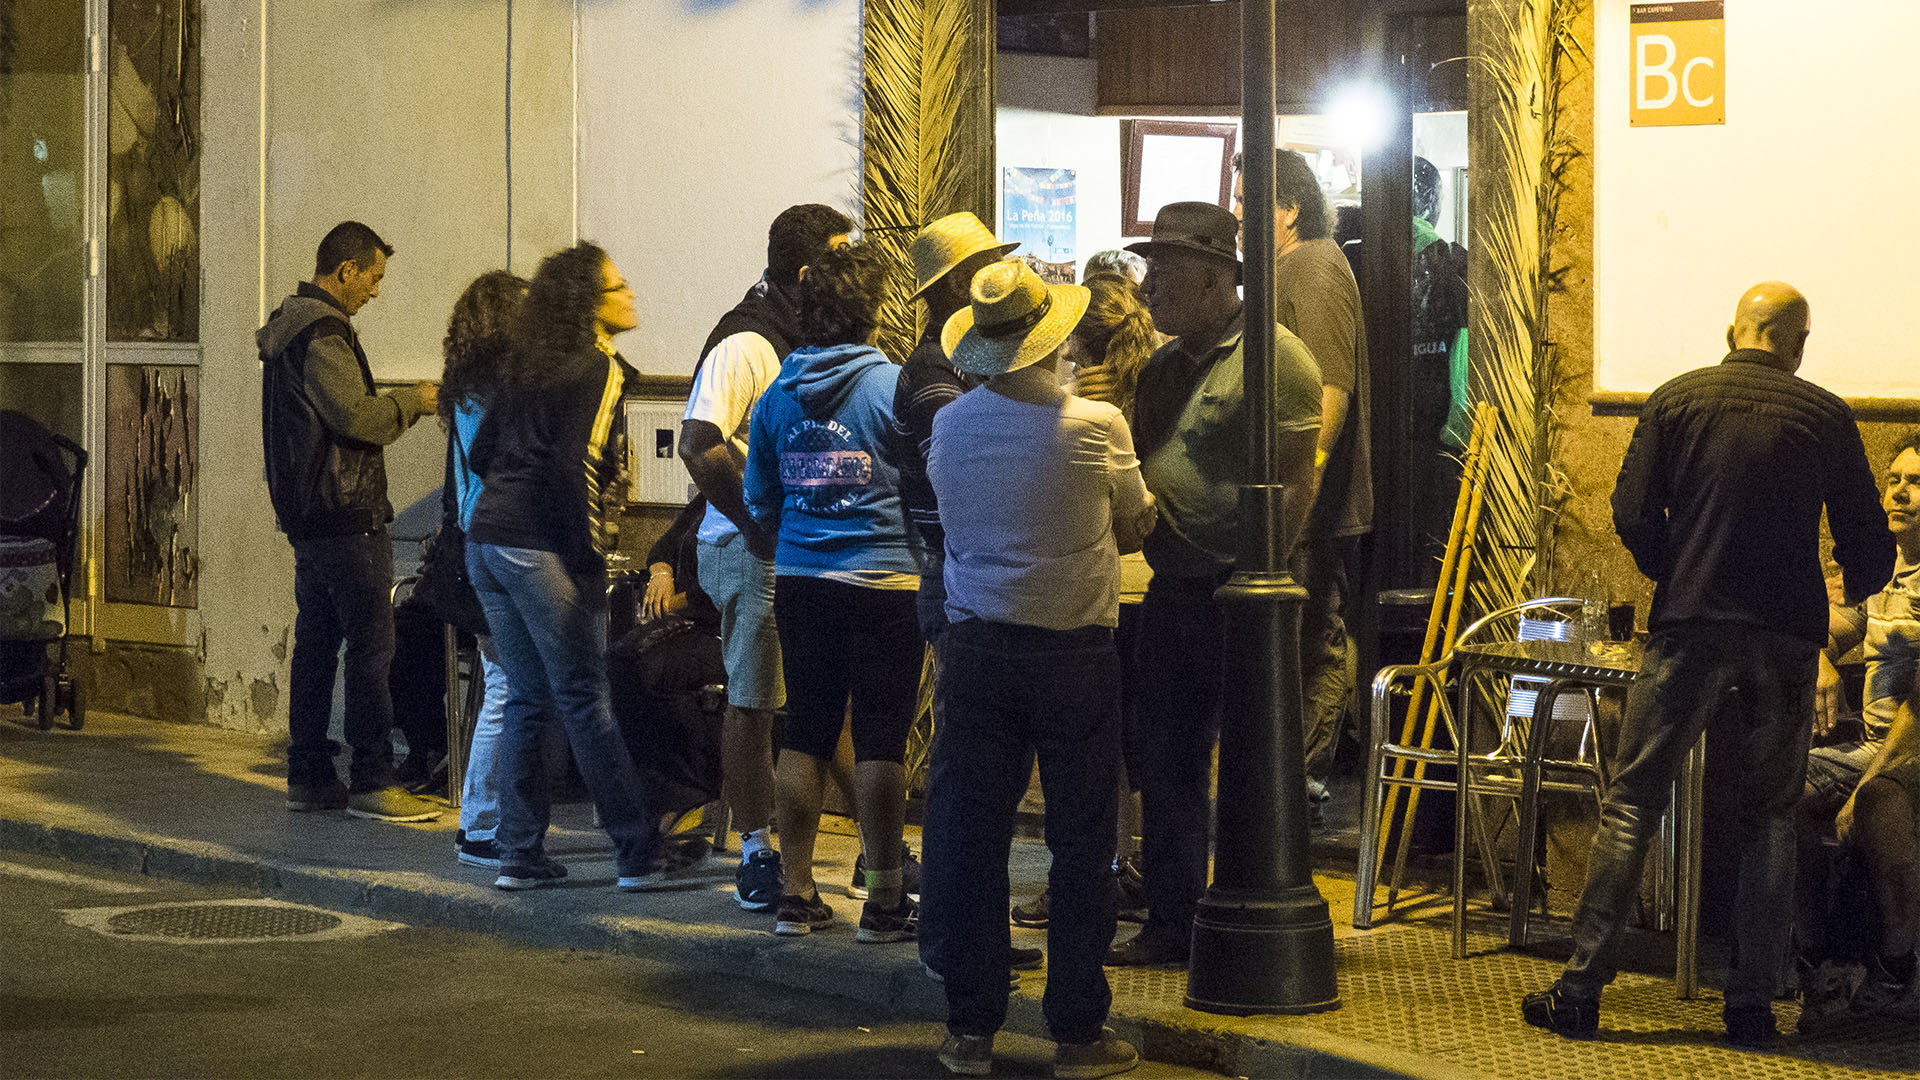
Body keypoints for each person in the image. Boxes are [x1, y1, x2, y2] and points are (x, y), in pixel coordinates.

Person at [1522, 282, 1895, 1047]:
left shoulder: (1674, 400)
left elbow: (1629, 512)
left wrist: (1676, 566)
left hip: (1691, 624)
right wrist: (1846, 589)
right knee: (1769, 820)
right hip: (1787, 637)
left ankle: (1581, 992)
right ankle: (1751, 1009)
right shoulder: (1824, 414)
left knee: (1632, 805)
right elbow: (1868, 537)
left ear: (1733, 331)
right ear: (1797, 343)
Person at [922, 259, 1153, 1079]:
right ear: (1051, 339)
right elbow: (1137, 523)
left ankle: (970, 1027)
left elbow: (952, 525)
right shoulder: (1099, 425)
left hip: (978, 647)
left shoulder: (950, 427)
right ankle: (1077, 1032)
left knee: (970, 837)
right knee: (1081, 843)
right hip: (1075, 653)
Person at [1104, 202, 1324, 967]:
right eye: (1148, 268)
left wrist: (1258, 574)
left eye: (1163, 271)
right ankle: (1172, 920)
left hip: (1244, 594)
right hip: (1172, 589)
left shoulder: (1277, 358)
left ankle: (1253, 912)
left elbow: (1300, 480)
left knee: (1254, 762)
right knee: (1165, 759)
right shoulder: (1161, 368)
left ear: (1213, 277)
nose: (1148, 285)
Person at [466, 242, 693, 892]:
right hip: (540, 547)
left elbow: (483, 454)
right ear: (589, 306)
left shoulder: (522, 364)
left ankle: (519, 854)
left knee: (529, 700)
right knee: (585, 700)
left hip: (490, 540)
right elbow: (577, 465)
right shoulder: (600, 368)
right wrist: (589, 558)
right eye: (617, 287)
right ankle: (637, 852)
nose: (630, 296)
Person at [743, 241, 923, 942]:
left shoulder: (777, 396)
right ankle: (881, 901)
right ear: (872, 311)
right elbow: (923, 483)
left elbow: (760, 499)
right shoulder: (892, 389)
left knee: (807, 730)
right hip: (886, 582)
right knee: (880, 738)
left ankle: (795, 892)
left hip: (801, 581)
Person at [681, 204, 853, 912]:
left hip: (796, 545)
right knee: (753, 704)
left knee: (821, 695)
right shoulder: (749, 341)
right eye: (842, 258)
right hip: (752, 550)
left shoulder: (800, 335)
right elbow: (698, 442)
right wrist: (753, 526)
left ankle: (877, 845)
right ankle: (756, 849)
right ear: (809, 272)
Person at [258, 220, 441, 823]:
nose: (376, 292)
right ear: (346, 271)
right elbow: (358, 418)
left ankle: (308, 775)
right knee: (371, 647)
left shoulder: (291, 329)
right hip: (344, 515)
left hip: (310, 518)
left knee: (317, 643)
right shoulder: (323, 333)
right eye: (374, 278)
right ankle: (371, 778)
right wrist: (414, 400)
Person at [1015, 271, 1159, 930]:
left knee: (1101, 754)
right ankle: (1133, 871)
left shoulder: (1086, 411)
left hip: (1103, 590)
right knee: (1137, 746)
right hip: (1147, 584)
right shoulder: (1154, 387)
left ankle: (1101, 875)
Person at [1234, 149, 1372, 820]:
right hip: (1289, 500)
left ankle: (1295, 788)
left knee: (1312, 643)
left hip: (1309, 504)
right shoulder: (1293, 266)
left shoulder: (1313, 268)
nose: (1237, 213)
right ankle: (1283, 789)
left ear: (1284, 208)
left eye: (1245, 199)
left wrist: (1300, 487)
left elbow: (1328, 395)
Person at [437, 270, 570, 868]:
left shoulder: (467, 390)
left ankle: (493, 819)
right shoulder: (498, 392)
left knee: (508, 686)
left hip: (475, 543)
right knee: (507, 687)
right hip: (496, 543)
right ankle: (483, 822)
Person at [1797, 432, 1920, 1031]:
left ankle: (1898, 969)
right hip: (1872, 746)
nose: (1898, 492)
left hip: (1911, 745)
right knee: (1779, 789)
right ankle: (1815, 960)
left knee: (1877, 802)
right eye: (1893, 479)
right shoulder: (1884, 572)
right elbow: (1832, 624)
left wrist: (1867, 780)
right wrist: (1821, 659)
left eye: (1915, 481)